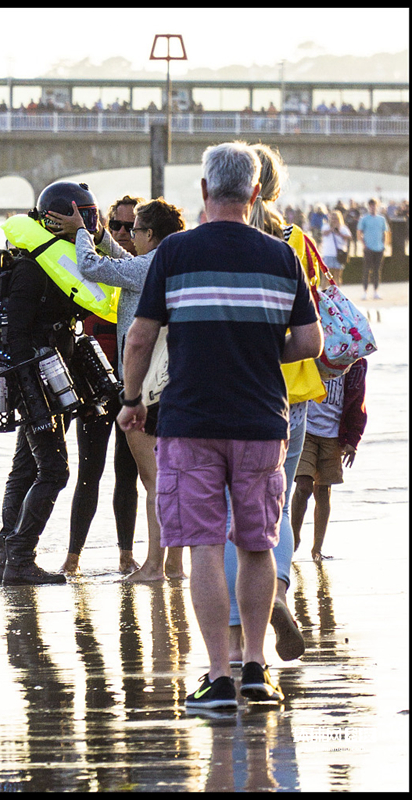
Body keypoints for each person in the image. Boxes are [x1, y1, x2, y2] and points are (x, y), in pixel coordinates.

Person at [117, 141, 323, 710]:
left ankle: (218, 676)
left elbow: (139, 336)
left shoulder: (175, 253)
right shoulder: (281, 256)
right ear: (256, 194)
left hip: (190, 420)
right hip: (261, 420)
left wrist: (132, 400)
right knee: (257, 543)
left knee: (205, 543)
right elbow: (310, 341)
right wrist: (256, 349)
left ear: (204, 192)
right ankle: (257, 670)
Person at [224, 143, 326, 667]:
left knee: (229, 507)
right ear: (272, 187)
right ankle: (278, 594)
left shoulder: (222, 241)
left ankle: (241, 623)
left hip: (233, 383)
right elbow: (316, 317)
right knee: (276, 501)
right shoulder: (294, 241)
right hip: (291, 383)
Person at [49, 197, 187, 583]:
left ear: (149, 234)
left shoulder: (150, 266)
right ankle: (173, 564)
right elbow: (124, 263)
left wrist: (79, 234)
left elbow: (92, 266)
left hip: (144, 383)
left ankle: (155, 566)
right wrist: (96, 233)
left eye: (136, 230)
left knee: (153, 479)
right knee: (164, 476)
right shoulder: (171, 263)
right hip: (172, 380)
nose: (130, 237)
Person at [0, 181, 108, 587]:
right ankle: (20, 556)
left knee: (25, 467)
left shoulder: (62, 261)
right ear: (55, 218)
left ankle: (9, 558)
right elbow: (15, 339)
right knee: (55, 471)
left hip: (51, 376)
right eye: (82, 215)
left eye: (92, 215)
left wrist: (87, 233)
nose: (90, 223)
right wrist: (35, 406)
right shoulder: (31, 267)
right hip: (34, 382)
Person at [59, 195, 143, 576]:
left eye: (132, 227)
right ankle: (73, 557)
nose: (125, 234)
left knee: (127, 474)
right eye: (118, 226)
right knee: (88, 473)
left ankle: (126, 554)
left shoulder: (139, 272)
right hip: (94, 385)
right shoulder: (87, 268)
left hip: (131, 386)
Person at [291, 359, 367, 562]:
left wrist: (353, 439)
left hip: (333, 434)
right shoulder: (314, 352)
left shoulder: (356, 362)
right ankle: (294, 538)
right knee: (304, 485)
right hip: (305, 428)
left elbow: (358, 401)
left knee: (323, 491)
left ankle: (317, 548)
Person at [358, 198, 389, 300]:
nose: (373, 207)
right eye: (371, 205)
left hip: (379, 247)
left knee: (377, 270)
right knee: (367, 270)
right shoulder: (364, 219)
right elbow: (359, 232)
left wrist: (384, 244)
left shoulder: (381, 219)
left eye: (374, 205)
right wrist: (364, 244)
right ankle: (365, 291)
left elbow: (385, 232)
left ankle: (376, 291)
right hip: (369, 248)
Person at [320, 210, 352, 286]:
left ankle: (337, 292)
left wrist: (339, 232)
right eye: (333, 218)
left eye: (336, 218)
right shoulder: (326, 226)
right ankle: (324, 293)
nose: (334, 220)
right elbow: (324, 233)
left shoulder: (343, 228)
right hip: (328, 253)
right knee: (326, 275)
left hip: (339, 254)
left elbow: (349, 237)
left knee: (337, 275)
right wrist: (332, 228)